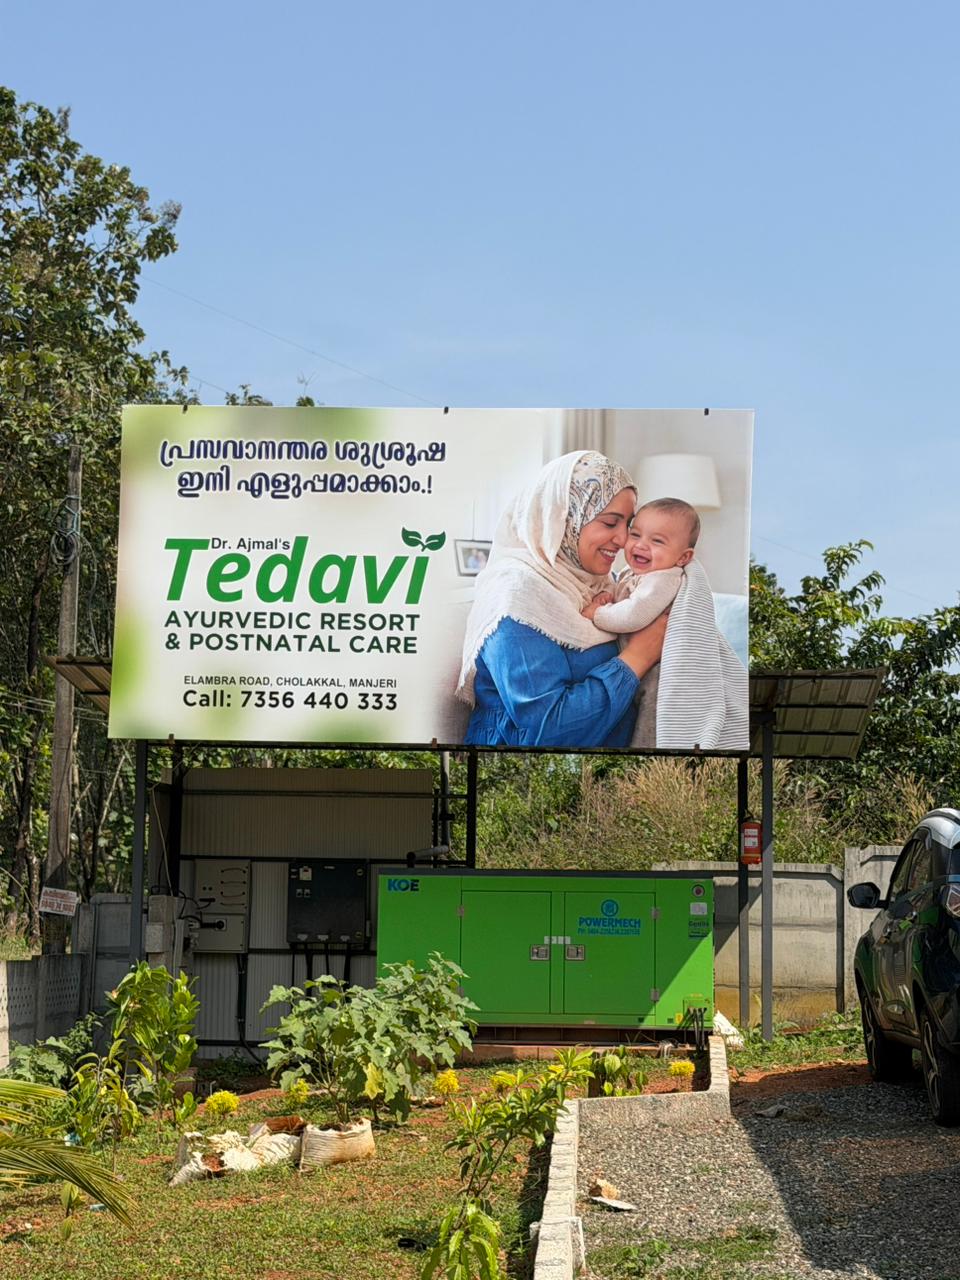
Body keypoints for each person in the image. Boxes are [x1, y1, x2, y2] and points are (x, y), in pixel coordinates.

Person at [456, 451, 668, 748]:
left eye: (627, 525)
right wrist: (638, 657)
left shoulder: (605, 586)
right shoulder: (516, 596)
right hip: (517, 781)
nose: (623, 540)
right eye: (609, 523)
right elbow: (545, 733)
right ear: (562, 519)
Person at [583, 497, 747, 750]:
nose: (641, 545)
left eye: (657, 541)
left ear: (683, 557)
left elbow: (634, 615)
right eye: (635, 534)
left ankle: (651, 752)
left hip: (663, 670)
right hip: (642, 664)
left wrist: (599, 613)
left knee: (655, 715)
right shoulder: (636, 575)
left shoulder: (664, 579)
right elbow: (628, 598)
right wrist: (611, 597)